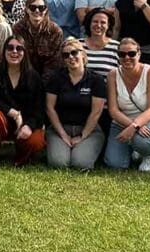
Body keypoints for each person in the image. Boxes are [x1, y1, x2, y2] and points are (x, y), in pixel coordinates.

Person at [0, 35, 46, 165]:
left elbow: (39, 109)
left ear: (24, 52)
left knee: (36, 141)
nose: (14, 52)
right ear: (4, 51)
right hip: (1, 122)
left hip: (25, 123)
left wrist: (28, 126)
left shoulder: (34, 77)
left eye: (19, 48)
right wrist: (14, 113)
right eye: (10, 48)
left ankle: (21, 158)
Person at [105, 38, 150, 172]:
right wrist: (131, 125)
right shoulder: (112, 75)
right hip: (122, 121)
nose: (127, 57)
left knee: (140, 139)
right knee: (115, 163)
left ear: (139, 54)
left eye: (131, 54)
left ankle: (149, 154)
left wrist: (135, 126)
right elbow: (113, 110)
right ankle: (135, 148)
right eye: (122, 54)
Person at [44, 38, 105, 169]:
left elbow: (96, 111)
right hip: (60, 128)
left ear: (82, 54)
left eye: (74, 52)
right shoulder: (56, 78)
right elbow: (50, 108)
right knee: (58, 163)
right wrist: (63, 135)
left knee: (80, 164)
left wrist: (82, 136)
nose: (71, 57)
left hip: (88, 129)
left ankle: (83, 149)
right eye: (66, 55)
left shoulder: (96, 80)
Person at [12, 0, 63, 79]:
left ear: (46, 10)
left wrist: (42, 82)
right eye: (33, 7)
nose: (37, 11)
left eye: (41, 8)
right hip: (23, 75)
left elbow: (54, 62)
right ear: (27, 9)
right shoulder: (18, 29)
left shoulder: (55, 31)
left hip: (48, 77)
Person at [81, 8, 120, 79]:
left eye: (103, 22)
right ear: (89, 23)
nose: (98, 25)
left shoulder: (117, 47)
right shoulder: (78, 45)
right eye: (95, 21)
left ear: (108, 25)